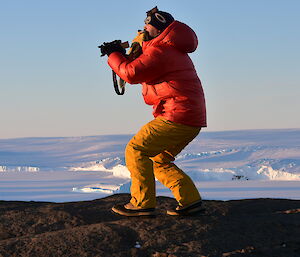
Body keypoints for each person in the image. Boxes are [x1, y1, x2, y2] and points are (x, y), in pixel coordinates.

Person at [102, 7, 207, 216]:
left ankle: (142, 204)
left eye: (147, 25)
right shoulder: (166, 49)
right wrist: (123, 54)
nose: (143, 28)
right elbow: (139, 67)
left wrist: (113, 55)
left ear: (159, 29)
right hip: (189, 118)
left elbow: (131, 74)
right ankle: (190, 202)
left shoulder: (161, 51)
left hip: (176, 116)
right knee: (160, 160)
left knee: (136, 149)